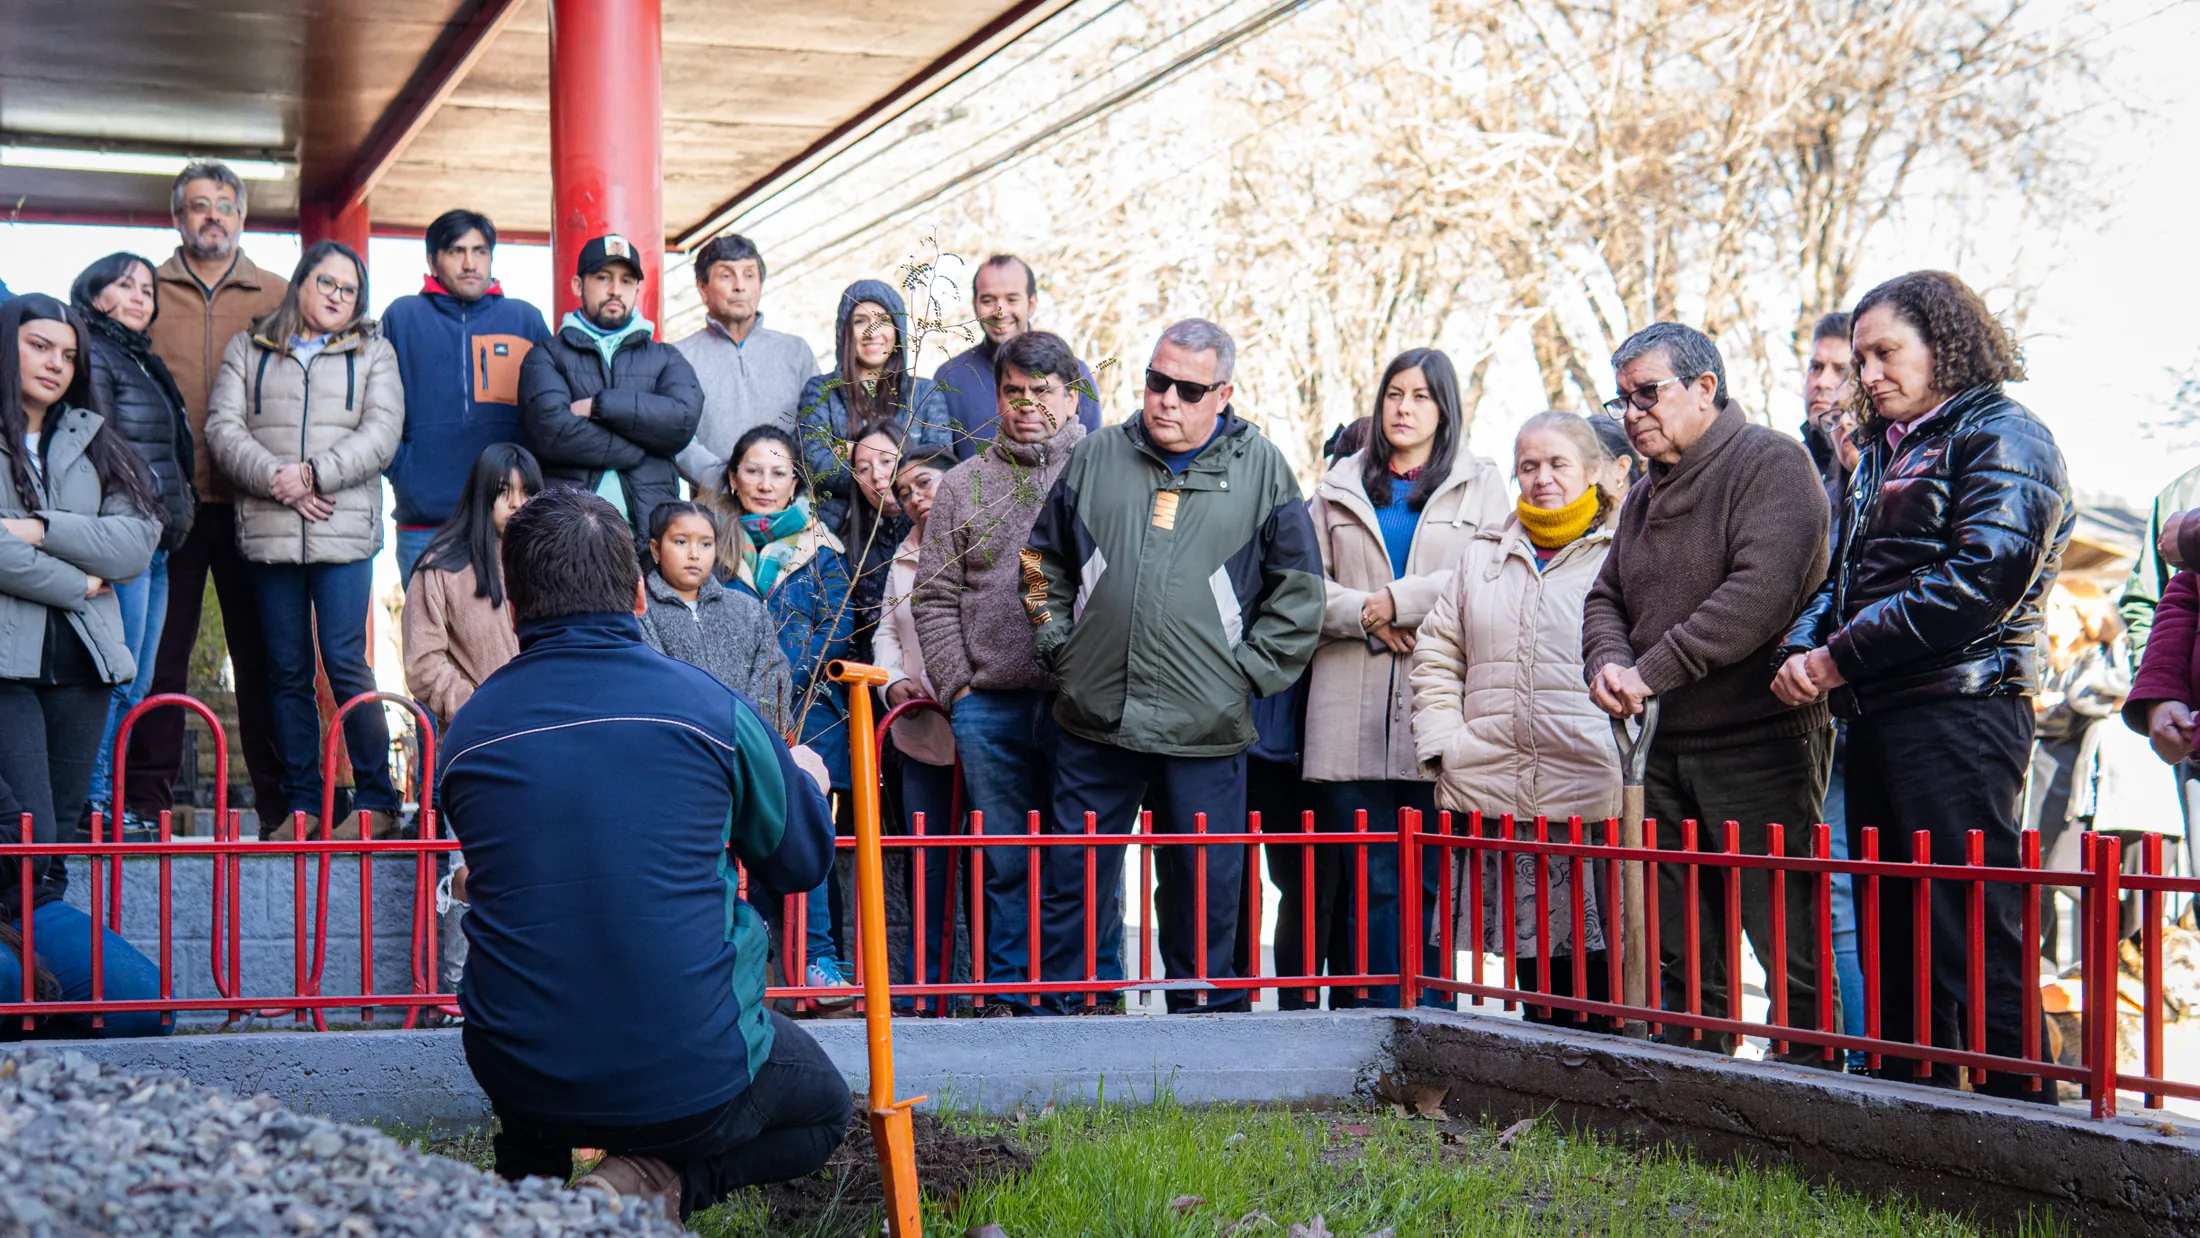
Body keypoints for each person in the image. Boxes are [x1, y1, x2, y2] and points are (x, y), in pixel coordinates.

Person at [435, 486, 847, 1220]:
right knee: (824, 1110)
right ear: (636, 593)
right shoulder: (712, 710)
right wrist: (807, 783)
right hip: (689, 1076)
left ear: (516, 604)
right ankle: (654, 1183)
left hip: (519, 1067)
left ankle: (525, 1193)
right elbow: (801, 862)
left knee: (535, 1048)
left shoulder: (468, 735)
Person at [1774, 270, 2071, 1099]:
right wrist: (1801, 651)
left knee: (1972, 933)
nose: (1866, 373)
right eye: (1859, 356)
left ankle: (2027, 1131)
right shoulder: (1882, 455)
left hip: (1965, 713)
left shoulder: (2009, 434)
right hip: (1876, 714)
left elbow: (1982, 578)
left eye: (1884, 353)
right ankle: (1909, 1125)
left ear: (1944, 343)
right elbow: (1838, 580)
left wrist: (1837, 659)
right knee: (1891, 932)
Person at [1025, 318, 1323, 1013]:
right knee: (1072, 880)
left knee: (1204, 888)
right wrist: (1058, 647)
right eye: (1157, 381)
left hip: (1204, 727)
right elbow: (1042, 564)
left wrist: (1245, 674)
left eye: (1189, 390)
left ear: (1223, 394)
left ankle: (1203, 1033)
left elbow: (1299, 589)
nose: (1166, 399)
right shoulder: (1098, 456)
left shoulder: (1264, 468)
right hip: (1092, 717)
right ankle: (1066, 1025)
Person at [1581, 321, 1836, 1064]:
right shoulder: (1642, 495)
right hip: (1661, 747)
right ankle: (1698, 1092)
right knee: (1685, 951)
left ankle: (1810, 1096)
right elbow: (1606, 597)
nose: (1633, 412)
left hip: (1760, 744)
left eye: (1648, 393)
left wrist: (1648, 670)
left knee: (1790, 947)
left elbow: (1759, 595)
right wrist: (1606, 661)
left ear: (1704, 389)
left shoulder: (1773, 466)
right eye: (1622, 397)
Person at [1302, 348, 1507, 1007]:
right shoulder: (1337, 485)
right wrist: (1366, 613)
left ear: (1444, 408)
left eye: (1420, 396)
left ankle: (1431, 1016)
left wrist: (1402, 602)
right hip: (1347, 708)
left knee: (1430, 878)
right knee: (1367, 877)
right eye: (1394, 393)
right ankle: (1367, 1017)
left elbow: (1493, 575)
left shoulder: (1482, 484)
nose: (1403, 407)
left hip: (1437, 705)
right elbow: (1298, 588)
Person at [1411, 412, 1620, 1029]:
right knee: (1535, 964)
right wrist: (1446, 742)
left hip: (1591, 793)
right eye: (1529, 466)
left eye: (1558, 464)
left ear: (1592, 472)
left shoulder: (1622, 551)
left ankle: (1607, 1092)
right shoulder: (1481, 558)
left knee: (1606, 963)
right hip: (1500, 788)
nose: (1542, 478)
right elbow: (1436, 651)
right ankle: (1549, 1088)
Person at [0, 295, 167, 1038]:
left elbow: (135, 544)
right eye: (39, 347)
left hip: (84, 665)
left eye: (67, 355)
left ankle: (48, 986)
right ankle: (27, 973)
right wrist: (81, 579)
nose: (55, 365)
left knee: (58, 841)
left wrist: (38, 529)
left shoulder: (97, 440)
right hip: (10, 664)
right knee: (25, 832)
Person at [912, 330, 1090, 1011]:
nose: (1026, 404)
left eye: (1042, 391)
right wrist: (960, 687)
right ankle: (1015, 1002)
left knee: (1081, 858)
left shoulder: (1099, 470)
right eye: (1013, 391)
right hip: (989, 703)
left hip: (1080, 702)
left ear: (1070, 396)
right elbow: (933, 594)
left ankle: (1083, 998)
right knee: (1008, 861)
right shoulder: (962, 484)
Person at [203, 241, 404, 840]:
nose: (337, 297)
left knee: (345, 662)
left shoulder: (375, 351)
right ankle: (304, 805)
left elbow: (383, 432)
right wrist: (278, 481)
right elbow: (222, 427)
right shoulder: (250, 347)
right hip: (269, 534)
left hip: (342, 532)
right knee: (284, 670)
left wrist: (315, 474)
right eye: (327, 283)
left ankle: (376, 802)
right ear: (301, 283)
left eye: (349, 289)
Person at [130, 161, 288, 827]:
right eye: (199, 205)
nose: (213, 216)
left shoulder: (279, 293)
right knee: (158, 661)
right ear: (177, 217)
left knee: (268, 662)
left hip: (259, 504)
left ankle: (287, 806)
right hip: (169, 506)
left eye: (225, 205)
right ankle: (144, 803)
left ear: (243, 217)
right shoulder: (143, 292)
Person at [706, 425, 856, 1000]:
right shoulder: (713, 548)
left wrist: (789, 681)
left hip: (808, 715)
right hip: (737, 716)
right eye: (752, 470)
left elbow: (837, 624)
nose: (764, 484)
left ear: (796, 481)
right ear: (733, 476)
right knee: (744, 838)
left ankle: (818, 962)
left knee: (806, 834)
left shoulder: (822, 549)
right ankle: (754, 966)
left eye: (778, 472)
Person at [69, 253, 196, 834]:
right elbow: (107, 445)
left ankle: (108, 804)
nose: (142, 295)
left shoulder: (141, 358)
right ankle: (91, 804)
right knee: (115, 677)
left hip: (158, 539)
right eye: (126, 285)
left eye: (148, 288)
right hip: (128, 534)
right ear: (95, 295)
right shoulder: (94, 353)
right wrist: (141, 509)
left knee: (138, 683)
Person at [381, 209, 553, 584]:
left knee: (515, 637)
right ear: (432, 260)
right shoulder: (402, 317)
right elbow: (374, 405)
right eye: (456, 251)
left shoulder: (525, 319)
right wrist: (402, 470)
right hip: (425, 520)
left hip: (510, 520)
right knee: (428, 637)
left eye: (480, 251)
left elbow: (550, 414)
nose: (470, 263)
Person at [520, 234, 703, 552]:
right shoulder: (546, 356)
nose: (616, 289)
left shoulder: (665, 358)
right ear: (578, 285)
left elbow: (682, 422)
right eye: (603, 277)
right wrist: (642, 445)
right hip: (568, 538)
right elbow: (551, 432)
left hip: (651, 539)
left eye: (626, 280)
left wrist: (600, 405)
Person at [1795, 309, 1869, 1065]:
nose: (1821, 384)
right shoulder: (1802, 466)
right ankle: (1848, 1061)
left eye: (1838, 369)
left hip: (1887, 703)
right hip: (1814, 711)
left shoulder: (1894, 462)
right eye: (1814, 367)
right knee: (1834, 898)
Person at [871, 445, 960, 1002]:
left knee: (989, 861)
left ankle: (995, 991)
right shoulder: (901, 556)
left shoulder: (988, 537)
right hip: (920, 731)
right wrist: (890, 679)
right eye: (903, 493)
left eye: (924, 483)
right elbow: (885, 631)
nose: (914, 499)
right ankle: (925, 994)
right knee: (926, 865)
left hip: (981, 727)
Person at [401, 442, 541, 730]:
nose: (516, 503)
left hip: (542, 733)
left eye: (526, 492)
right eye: (503, 491)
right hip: (476, 740)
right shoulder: (440, 569)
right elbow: (423, 664)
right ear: (482, 496)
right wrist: (481, 712)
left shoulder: (551, 564)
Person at [795, 279, 949, 534]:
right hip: (842, 534)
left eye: (883, 320)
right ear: (845, 332)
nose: (872, 330)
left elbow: (937, 463)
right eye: (860, 321)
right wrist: (892, 465)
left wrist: (857, 454)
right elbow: (817, 466)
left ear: (897, 329)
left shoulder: (925, 393)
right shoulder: (820, 392)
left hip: (917, 531)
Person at [671, 234, 819, 488]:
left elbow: (815, 428)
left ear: (760, 285)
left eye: (749, 275)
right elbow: (678, 438)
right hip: (714, 509)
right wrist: (726, 481)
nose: (739, 286)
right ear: (703, 288)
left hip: (787, 503)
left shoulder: (796, 352)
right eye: (726, 276)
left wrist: (780, 480)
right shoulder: (679, 357)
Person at [637, 499, 792, 727]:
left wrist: (749, 732)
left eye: (706, 544)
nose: (694, 554)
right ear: (656, 550)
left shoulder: (747, 609)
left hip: (750, 745)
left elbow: (774, 674)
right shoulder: (641, 612)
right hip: (682, 744)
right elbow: (654, 684)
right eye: (681, 542)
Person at [931, 255, 1102, 459]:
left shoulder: (1074, 373)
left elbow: (1094, 458)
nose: (1000, 312)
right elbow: (940, 467)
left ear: (1031, 305)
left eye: (1012, 299)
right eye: (988, 300)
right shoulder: (951, 378)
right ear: (975, 305)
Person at [843, 425, 907, 663]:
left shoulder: (940, 526)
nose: (878, 476)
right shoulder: (849, 544)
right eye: (864, 468)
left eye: (887, 461)